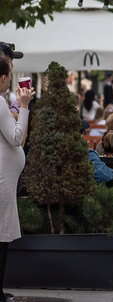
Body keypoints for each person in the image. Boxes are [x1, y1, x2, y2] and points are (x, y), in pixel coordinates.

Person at [0, 57, 32, 302]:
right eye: (9, 75)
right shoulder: (0, 101)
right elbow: (16, 137)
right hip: (3, 178)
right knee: (2, 233)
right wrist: (23, 106)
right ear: (2, 77)